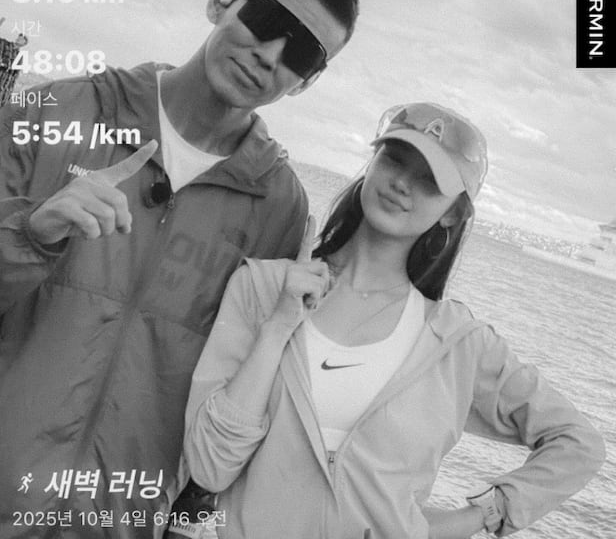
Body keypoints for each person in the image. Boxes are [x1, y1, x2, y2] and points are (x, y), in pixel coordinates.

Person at [0, 0, 359, 539]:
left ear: (307, 81)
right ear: (223, 1)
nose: (269, 55)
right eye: (268, 19)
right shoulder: (56, 113)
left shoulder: (279, 209)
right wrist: (31, 232)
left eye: (301, 53)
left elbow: (239, 398)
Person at [183, 102, 605, 539]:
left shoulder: (458, 342)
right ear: (373, 162)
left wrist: (478, 515)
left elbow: (578, 444)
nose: (402, 183)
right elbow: (210, 466)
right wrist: (277, 328)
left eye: (428, 180)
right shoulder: (263, 287)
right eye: (395, 159)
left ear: (452, 213)